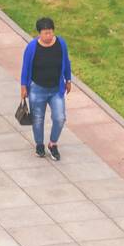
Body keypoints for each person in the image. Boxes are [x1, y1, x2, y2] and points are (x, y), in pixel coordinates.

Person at [20, 17, 73, 160]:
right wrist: (23, 86)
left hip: (56, 89)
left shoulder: (61, 44)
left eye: (50, 32)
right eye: (45, 33)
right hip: (37, 89)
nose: (48, 36)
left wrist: (68, 79)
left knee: (60, 118)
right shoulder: (32, 47)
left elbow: (66, 62)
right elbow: (25, 67)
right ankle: (39, 145)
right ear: (39, 33)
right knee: (37, 119)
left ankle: (53, 144)